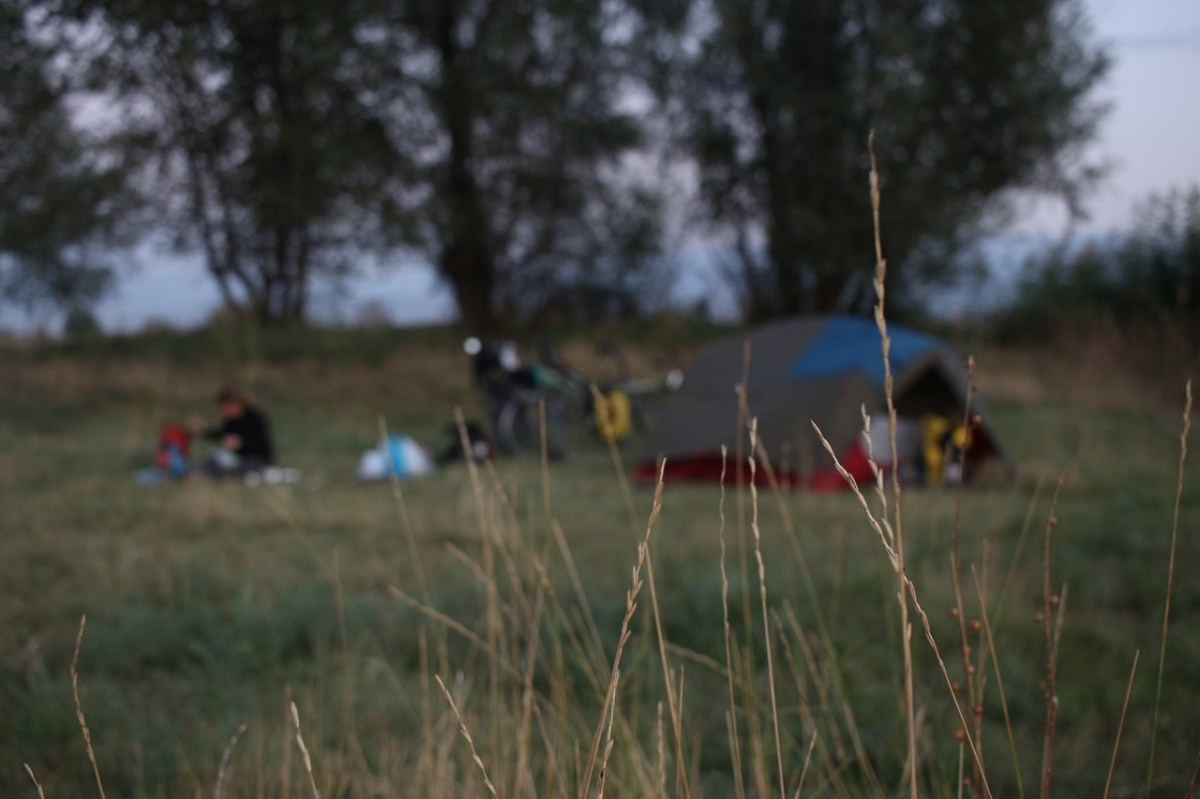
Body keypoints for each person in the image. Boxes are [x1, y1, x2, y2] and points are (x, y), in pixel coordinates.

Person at [189, 387, 275, 478]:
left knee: (230, 471)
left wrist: (241, 444)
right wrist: (204, 431)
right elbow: (222, 435)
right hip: (237, 458)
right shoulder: (232, 421)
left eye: (225, 408)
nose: (223, 412)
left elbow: (262, 444)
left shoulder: (255, 418)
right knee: (213, 458)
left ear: (234, 404)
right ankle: (195, 472)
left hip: (257, 460)